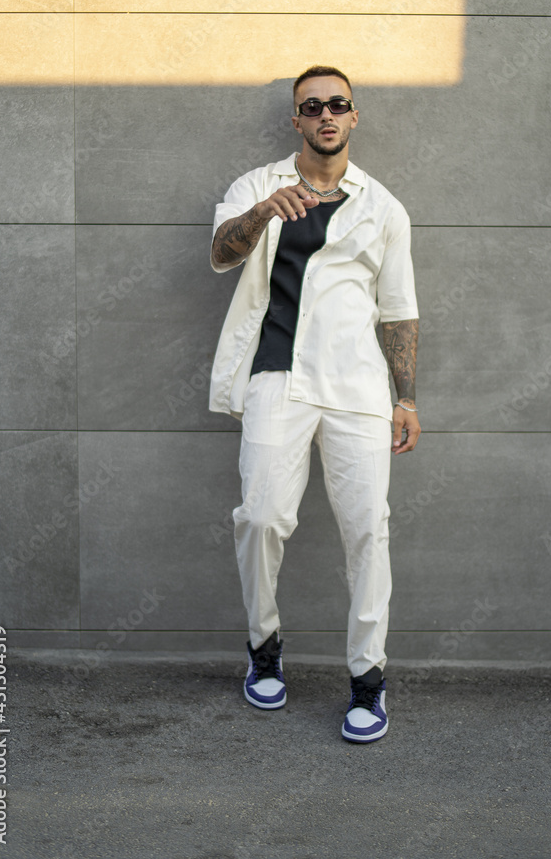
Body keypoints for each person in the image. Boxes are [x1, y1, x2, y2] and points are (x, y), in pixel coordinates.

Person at [209, 65, 420, 742]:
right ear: (295, 120)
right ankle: (263, 647)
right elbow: (218, 252)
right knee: (261, 517)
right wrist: (262, 212)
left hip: (359, 390)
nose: (325, 114)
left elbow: (398, 310)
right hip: (277, 379)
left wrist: (406, 397)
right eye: (311, 106)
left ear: (353, 116)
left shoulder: (382, 207)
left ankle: (367, 680)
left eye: (337, 104)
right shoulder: (256, 187)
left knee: (367, 530)